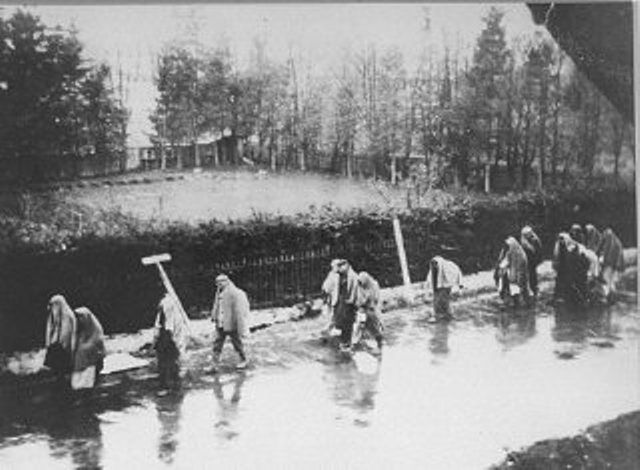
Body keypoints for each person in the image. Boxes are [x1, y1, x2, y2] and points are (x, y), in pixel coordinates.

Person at [210, 274, 250, 371]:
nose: (219, 284)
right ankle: (214, 365)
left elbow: (240, 309)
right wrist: (214, 316)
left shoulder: (235, 293)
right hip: (221, 323)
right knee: (217, 344)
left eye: (221, 282)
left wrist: (240, 323)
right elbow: (217, 306)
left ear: (227, 281)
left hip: (231, 323)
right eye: (217, 282)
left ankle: (244, 360)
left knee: (237, 343)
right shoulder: (219, 293)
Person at [154, 293, 188, 388]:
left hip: (169, 337)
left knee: (169, 359)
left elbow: (169, 327)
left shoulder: (169, 308)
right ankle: (172, 379)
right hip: (167, 335)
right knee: (169, 359)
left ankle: (170, 381)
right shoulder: (167, 309)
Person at [70, 307, 105, 391]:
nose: (79, 319)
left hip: (91, 365)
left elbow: (99, 351)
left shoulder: (96, 332)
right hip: (79, 365)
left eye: (81, 317)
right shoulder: (79, 331)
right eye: (77, 317)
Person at [44, 295, 77, 383]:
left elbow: (66, 332)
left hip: (62, 344)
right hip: (56, 343)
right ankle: (60, 378)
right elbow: (51, 328)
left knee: (62, 363)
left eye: (54, 304)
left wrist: (60, 342)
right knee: (58, 365)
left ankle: (62, 380)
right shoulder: (55, 314)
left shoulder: (67, 315)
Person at [353, 271, 384, 352]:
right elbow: (359, 299)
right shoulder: (360, 286)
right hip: (363, 309)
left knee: (374, 327)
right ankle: (356, 343)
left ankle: (379, 344)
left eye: (362, 281)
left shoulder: (374, 284)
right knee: (359, 325)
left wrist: (370, 301)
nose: (361, 283)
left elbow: (376, 298)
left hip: (372, 309)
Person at [425, 256, 463, 322]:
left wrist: (459, 287)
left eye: (435, 264)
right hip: (438, 285)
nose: (434, 266)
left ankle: (448, 315)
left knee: (444, 299)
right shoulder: (433, 269)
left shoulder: (449, 267)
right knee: (436, 299)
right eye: (433, 265)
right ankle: (438, 314)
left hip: (447, 285)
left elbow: (457, 275)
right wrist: (428, 292)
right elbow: (429, 279)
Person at [494, 237, 530, 306]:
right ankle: (515, 301)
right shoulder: (510, 252)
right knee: (514, 288)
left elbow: (522, 266)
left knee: (522, 288)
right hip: (514, 274)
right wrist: (501, 266)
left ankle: (523, 302)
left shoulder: (521, 254)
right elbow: (506, 260)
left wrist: (519, 275)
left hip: (520, 274)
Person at [333, 260, 359, 352]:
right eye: (340, 266)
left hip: (349, 302)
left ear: (348, 265)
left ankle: (347, 343)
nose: (341, 268)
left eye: (343, 265)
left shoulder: (353, 276)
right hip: (343, 301)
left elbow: (355, 289)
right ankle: (345, 342)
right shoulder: (341, 275)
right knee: (343, 322)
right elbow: (334, 271)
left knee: (348, 323)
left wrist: (351, 300)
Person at [597, 227, 625, 300]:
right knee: (610, 280)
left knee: (607, 278)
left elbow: (607, 252)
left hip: (611, 264)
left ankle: (609, 296)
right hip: (614, 264)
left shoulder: (610, 239)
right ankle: (611, 296)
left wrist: (604, 262)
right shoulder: (616, 241)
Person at [320, 259, 342, 337]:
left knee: (336, 314)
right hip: (334, 298)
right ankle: (328, 329)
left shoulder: (338, 275)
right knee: (334, 314)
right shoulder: (333, 275)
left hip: (338, 298)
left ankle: (330, 329)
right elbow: (326, 286)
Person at [520, 225, 543, 296]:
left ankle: (534, 289)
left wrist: (537, 259)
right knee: (528, 275)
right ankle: (528, 290)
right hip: (528, 260)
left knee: (532, 275)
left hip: (532, 260)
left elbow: (538, 250)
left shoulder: (534, 240)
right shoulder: (524, 240)